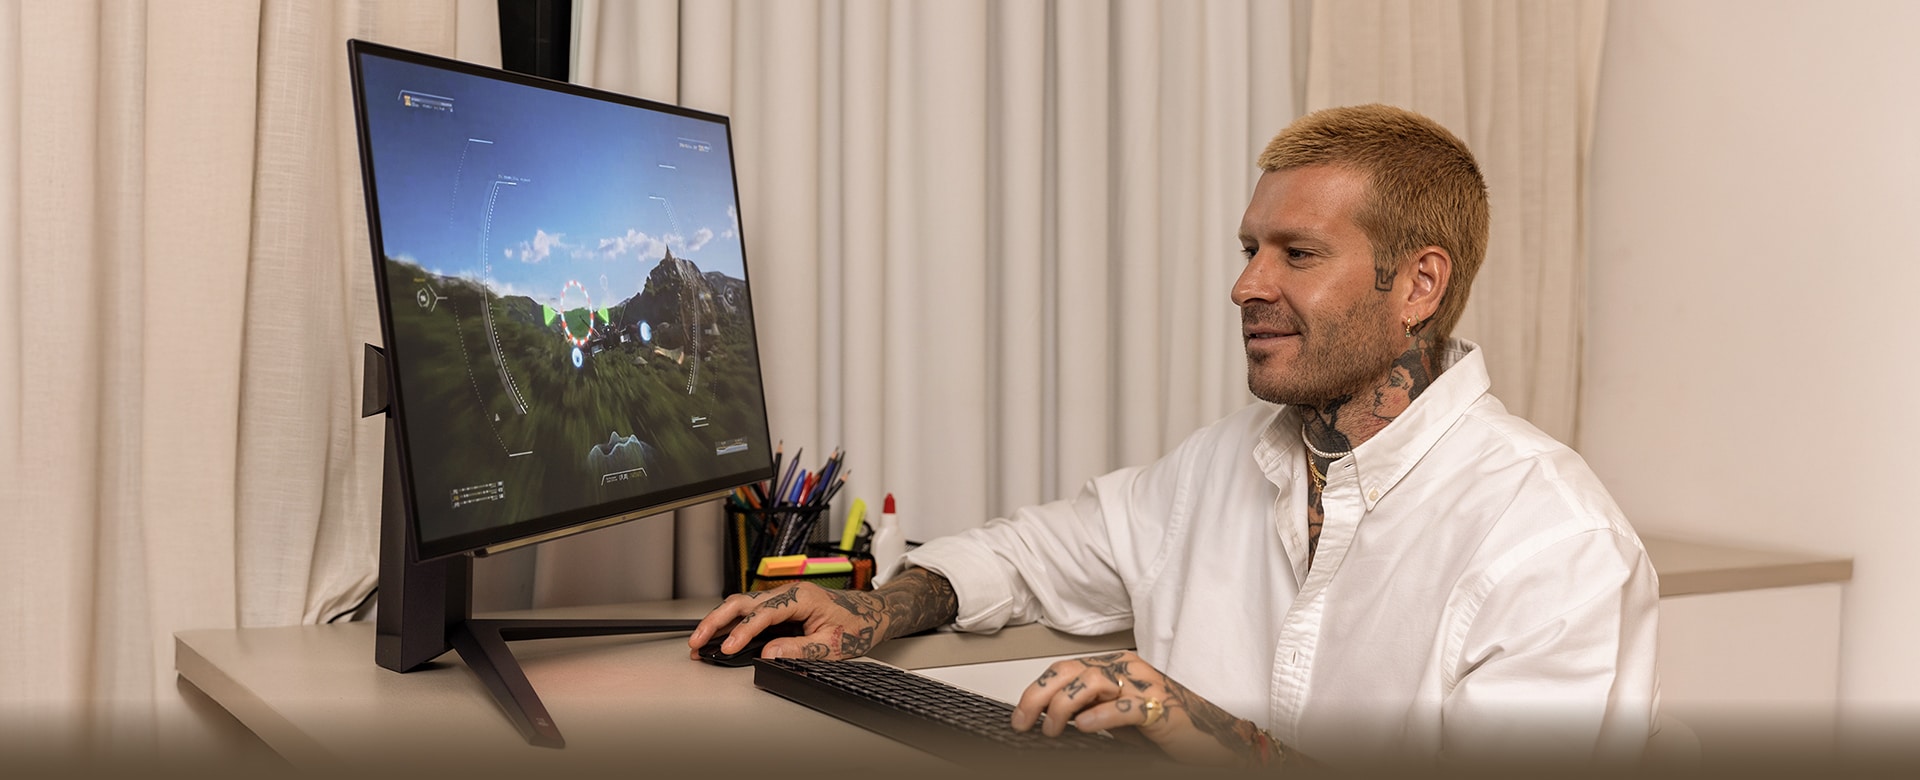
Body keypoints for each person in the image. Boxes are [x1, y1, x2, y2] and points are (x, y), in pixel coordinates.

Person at [689, 104, 1659, 769]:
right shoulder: (1216, 468)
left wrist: (1198, 727)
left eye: (1298, 254)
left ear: (1419, 286)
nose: (1247, 286)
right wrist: (871, 612)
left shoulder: (1553, 545)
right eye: (1249, 250)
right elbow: (1022, 556)